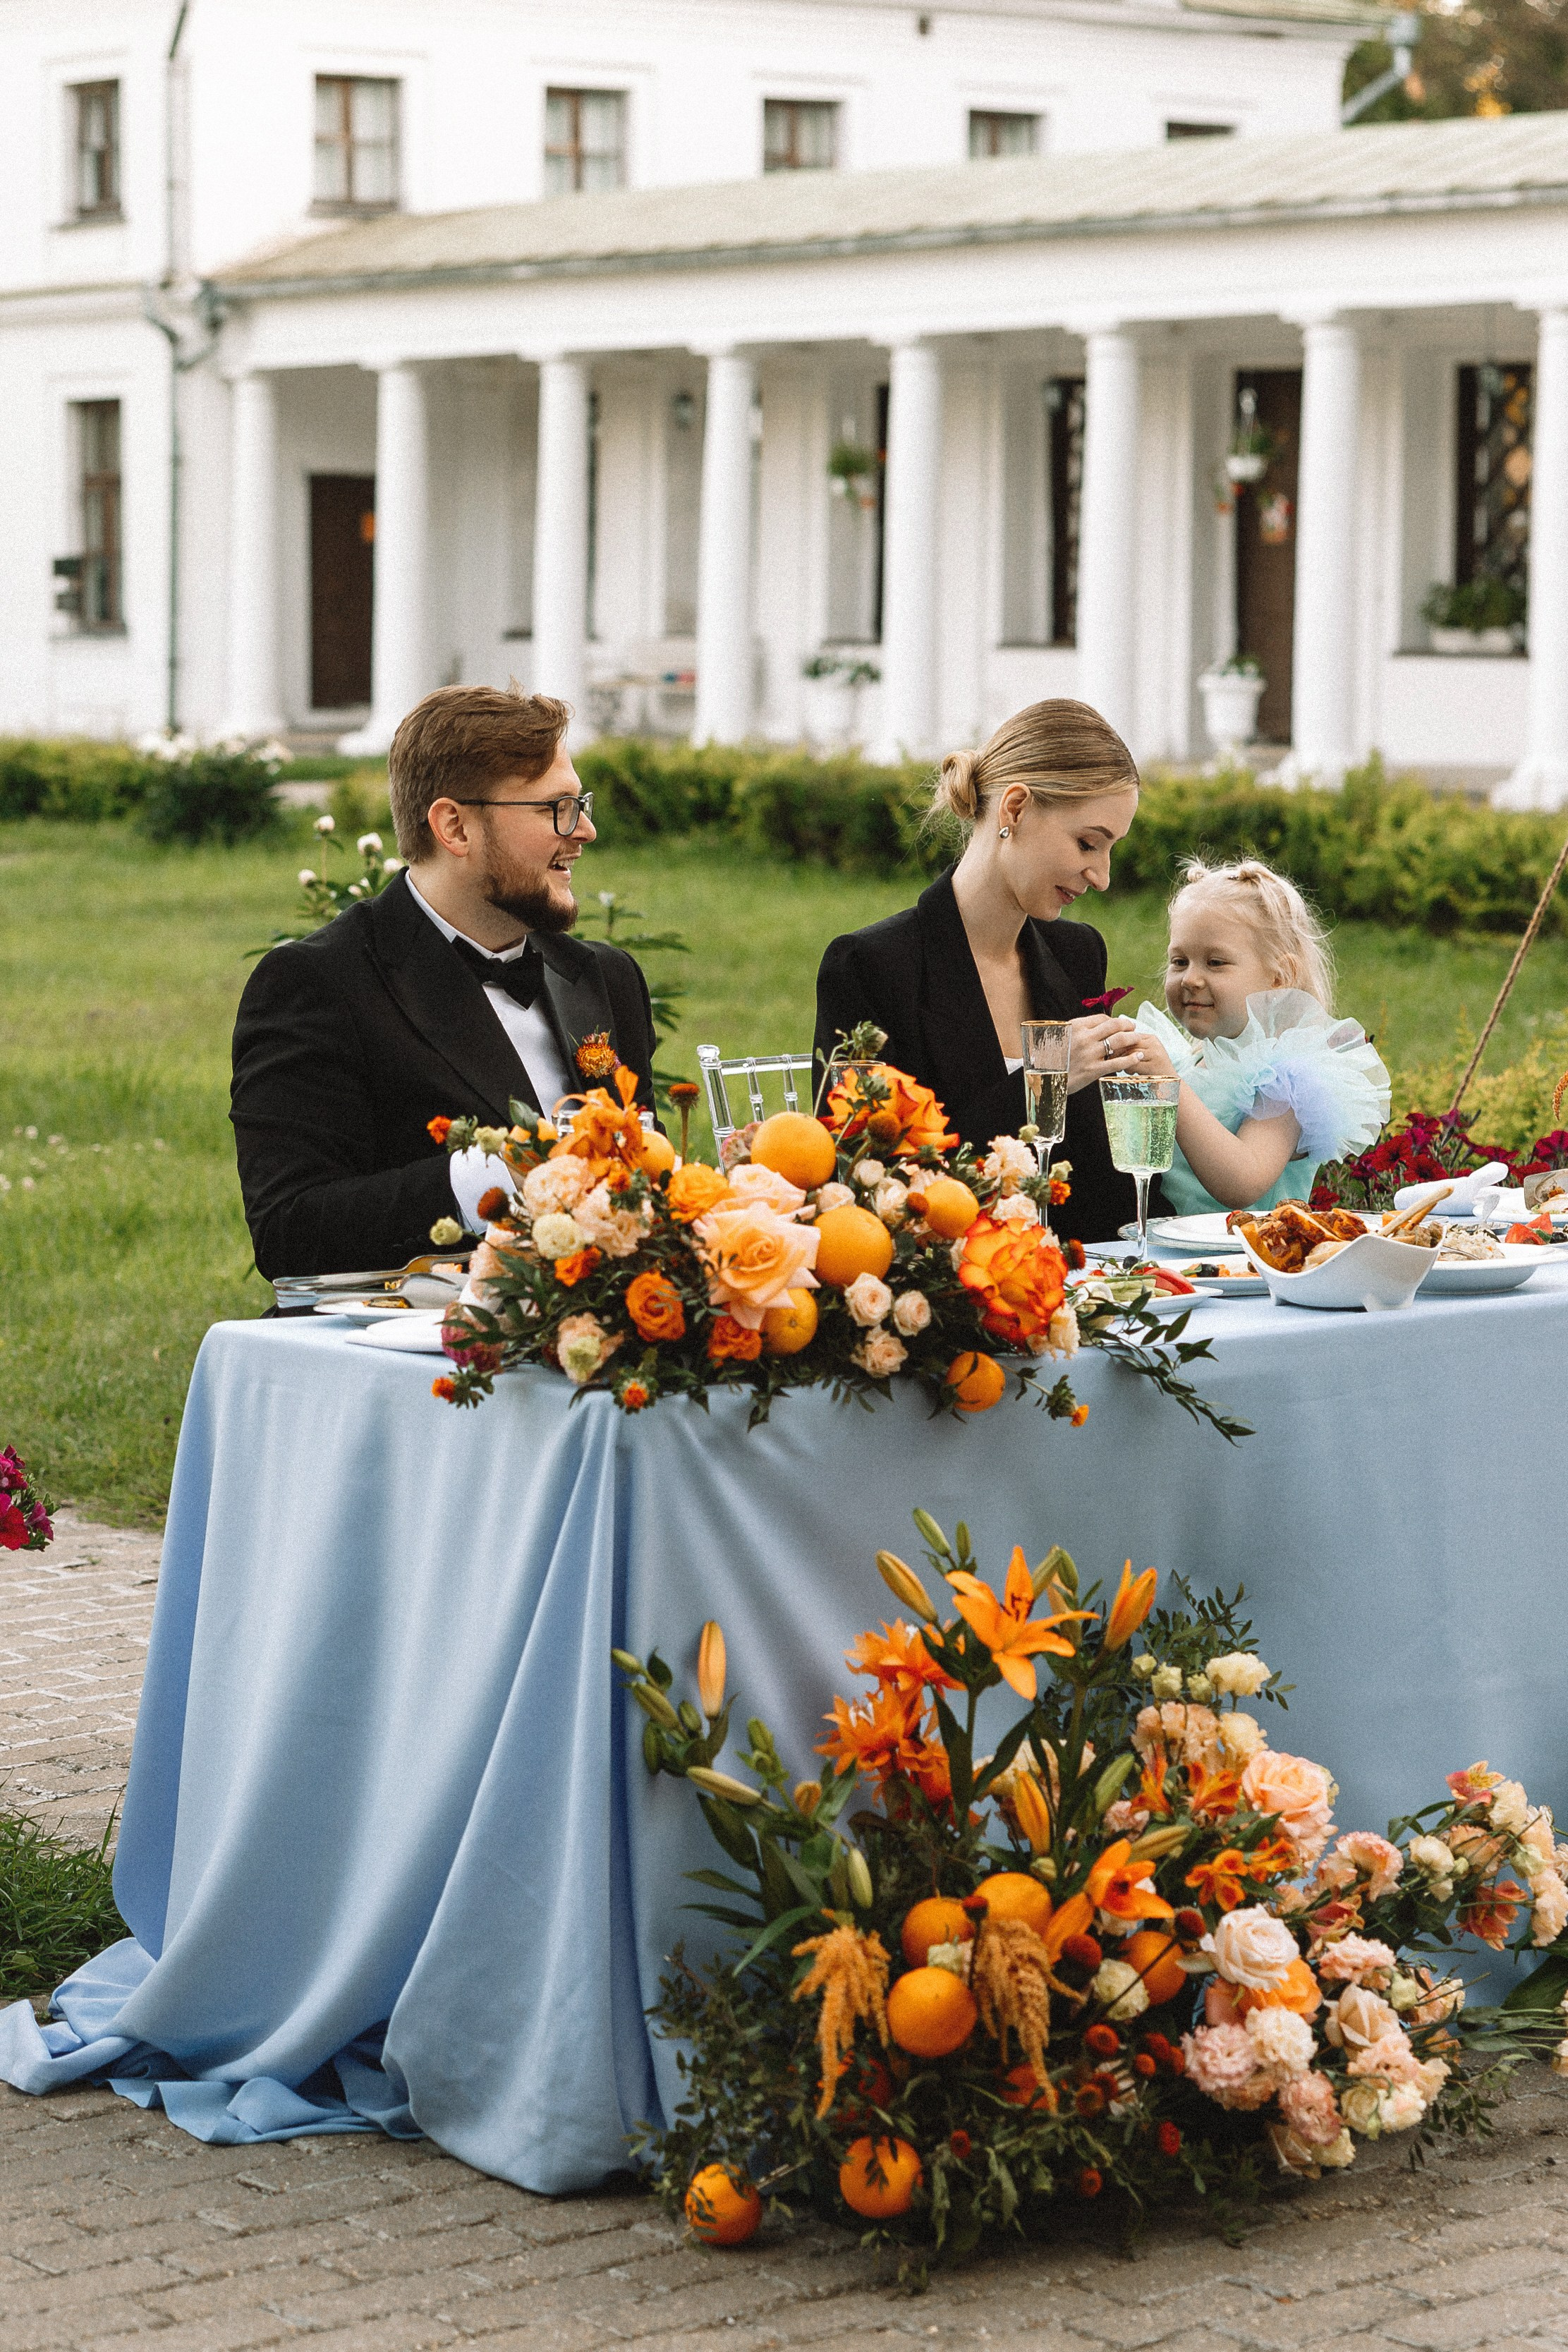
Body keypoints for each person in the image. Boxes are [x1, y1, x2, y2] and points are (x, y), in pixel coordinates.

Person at [231, 685, 657, 1280]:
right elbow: (289, 1233)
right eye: (554, 808)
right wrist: (490, 1176)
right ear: (454, 828)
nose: (584, 830)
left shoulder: (604, 977)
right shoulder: (319, 983)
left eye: (580, 804)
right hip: (400, 1348)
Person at [813, 699, 1156, 1247]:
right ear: (1014, 809)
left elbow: (1096, 1174)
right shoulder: (872, 967)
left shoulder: (1077, 954)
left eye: (1110, 849)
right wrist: (1043, 1083)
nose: (1102, 875)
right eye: (1088, 843)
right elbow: (866, 1185)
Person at [1127, 859, 1390, 1215]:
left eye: (1215, 962)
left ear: (1279, 977)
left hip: (1247, 1261)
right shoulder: (1187, 1061)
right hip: (1175, 1256)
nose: (1190, 978)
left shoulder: (1282, 1079)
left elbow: (1242, 1182)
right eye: (1179, 961)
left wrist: (1168, 1085)